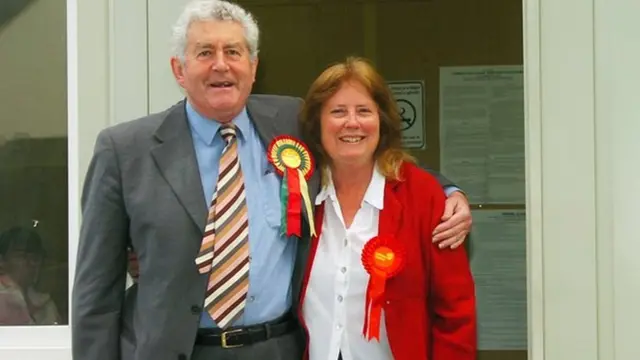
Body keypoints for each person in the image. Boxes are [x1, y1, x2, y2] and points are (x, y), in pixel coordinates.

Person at [72, 1, 472, 360]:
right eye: (205, 53)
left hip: (277, 347)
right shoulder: (125, 151)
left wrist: (447, 191)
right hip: (174, 350)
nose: (221, 65)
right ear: (179, 69)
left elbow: (360, 152)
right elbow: (96, 292)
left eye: (234, 52)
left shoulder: (291, 123)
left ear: (254, 65)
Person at [297, 57, 477, 360]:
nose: (352, 123)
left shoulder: (423, 195)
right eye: (338, 111)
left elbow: (456, 312)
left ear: (382, 120)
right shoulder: (298, 193)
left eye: (364, 111)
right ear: (318, 124)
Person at [0, 226, 61, 325]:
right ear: (2, 261)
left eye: (35, 257)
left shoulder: (46, 304)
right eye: (22, 256)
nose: (32, 263)